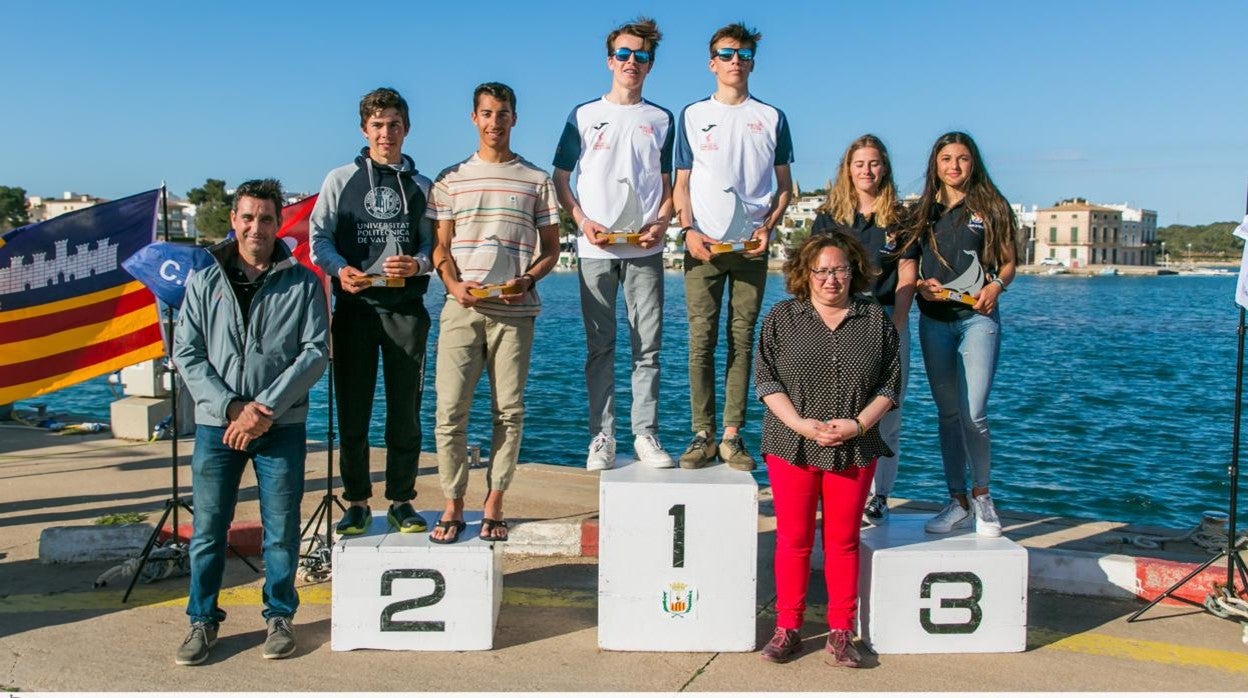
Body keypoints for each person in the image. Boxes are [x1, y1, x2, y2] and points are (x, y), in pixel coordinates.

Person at [172, 179, 329, 665]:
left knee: (281, 530)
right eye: (247, 217)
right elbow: (186, 353)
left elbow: (316, 352)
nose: (255, 227)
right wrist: (231, 408)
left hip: (279, 426)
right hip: (217, 427)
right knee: (207, 531)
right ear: (233, 221)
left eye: (265, 218)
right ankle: (202, 620)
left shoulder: (302, 282)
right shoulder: (204, 280)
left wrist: (263, 409)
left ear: (277, 222)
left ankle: (279, 616)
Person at [754, 232, 900, 667]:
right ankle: (788, 629)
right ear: (805, 273)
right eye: (821, 270)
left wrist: (857, 425)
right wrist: (799, 424)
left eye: (839, 269)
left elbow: (890, 385)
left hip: (854, 448)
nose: (830, 279)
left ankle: (840, 632)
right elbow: (765, 379)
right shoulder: (783, 317)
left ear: (853, 271)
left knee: (843, 541)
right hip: (790, 444)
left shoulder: (874, 320)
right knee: (794, 540)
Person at [428, 82, 561, 543]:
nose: (494, 122)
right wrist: (452, 284)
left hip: (515, 312)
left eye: (502, 114)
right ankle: (452, 502)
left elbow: (551, 250)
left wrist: (528, 279)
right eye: (486, 113)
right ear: (474, 118)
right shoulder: (450, 179)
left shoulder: (536, 179)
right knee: (449, 412)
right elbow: (440, 247)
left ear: (514, 119)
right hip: (461, 308)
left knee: (509, 412)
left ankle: (495, 500)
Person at [310, 87, 435, 537]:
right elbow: (318, 239)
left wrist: (418, 264)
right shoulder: (340, 179)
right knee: (354, 411)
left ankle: (402, 500)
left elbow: (433, 246)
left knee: (405, 411)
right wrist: (339, 270)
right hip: (355, 310)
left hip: (406, 311)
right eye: (378, 125)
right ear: (365, 129)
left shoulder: (423, 187)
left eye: (395, 125)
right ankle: (357, 501)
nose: (387, 133)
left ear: (407, 129)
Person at [552, 17, 676, 471]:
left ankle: (646, 434)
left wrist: (662, 223)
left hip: (645, 248)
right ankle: (601, 437)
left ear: (650, 64)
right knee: (599, 347)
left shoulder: (662, 119)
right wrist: (582, 220)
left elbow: (669, 186)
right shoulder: (583, 114)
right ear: (610, 61)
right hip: (594, 249)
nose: (631, 62)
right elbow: (561, 179)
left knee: (648, 347)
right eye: (623, 54)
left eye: (640, 56)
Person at [673, 21, 793, 471]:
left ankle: (731, 435)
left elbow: (784, 187)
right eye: (726, 54)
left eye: (742, 54)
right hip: (702, 248)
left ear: (752, 63)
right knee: (700, 342)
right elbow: (681, 184)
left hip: (751, 249)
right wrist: (688, 230)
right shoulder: (692, 114)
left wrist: (770, 226)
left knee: (742, 342)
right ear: (712, 63)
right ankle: (701, 432)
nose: (734, 61)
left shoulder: (772, 117)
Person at [898, 131, 1018, 538]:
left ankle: (983, 495)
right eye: (946, 158)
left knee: (974, 414)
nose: (954, 166)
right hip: (933, 322)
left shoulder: (992, 207)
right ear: (935, 164)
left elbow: (1008, 264)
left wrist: (996, 287)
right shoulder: (921, 213)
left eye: (962, 158)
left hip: (978, 320)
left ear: (973, 163)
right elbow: (907, 267)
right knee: (948, 415)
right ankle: (957, 501)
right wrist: (917, 287)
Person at [811, 135, 915, 525]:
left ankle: (879, 496)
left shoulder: (900, 218)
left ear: (884, 167)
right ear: (847, 169)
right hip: (838, 323)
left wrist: (897, 323)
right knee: (833, 407)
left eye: (873, 163)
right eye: (859, 164)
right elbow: (813, 270)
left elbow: (908, 271)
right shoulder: (828, 216)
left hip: (887, 319)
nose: (866, 171)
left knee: (887, 412)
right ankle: (834, 489)